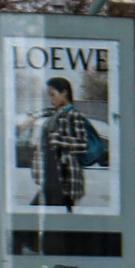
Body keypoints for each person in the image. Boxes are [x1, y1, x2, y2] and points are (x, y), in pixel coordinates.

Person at [32, 76, 95, 210]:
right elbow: (47, 112)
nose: (51, 99)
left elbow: (83, 144)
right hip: (51, 178)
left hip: (64, 180)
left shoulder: (74, 115)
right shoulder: (56, 114)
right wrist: (32, 118)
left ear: (64, 92)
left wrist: (59, 140)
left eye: (53, 95)